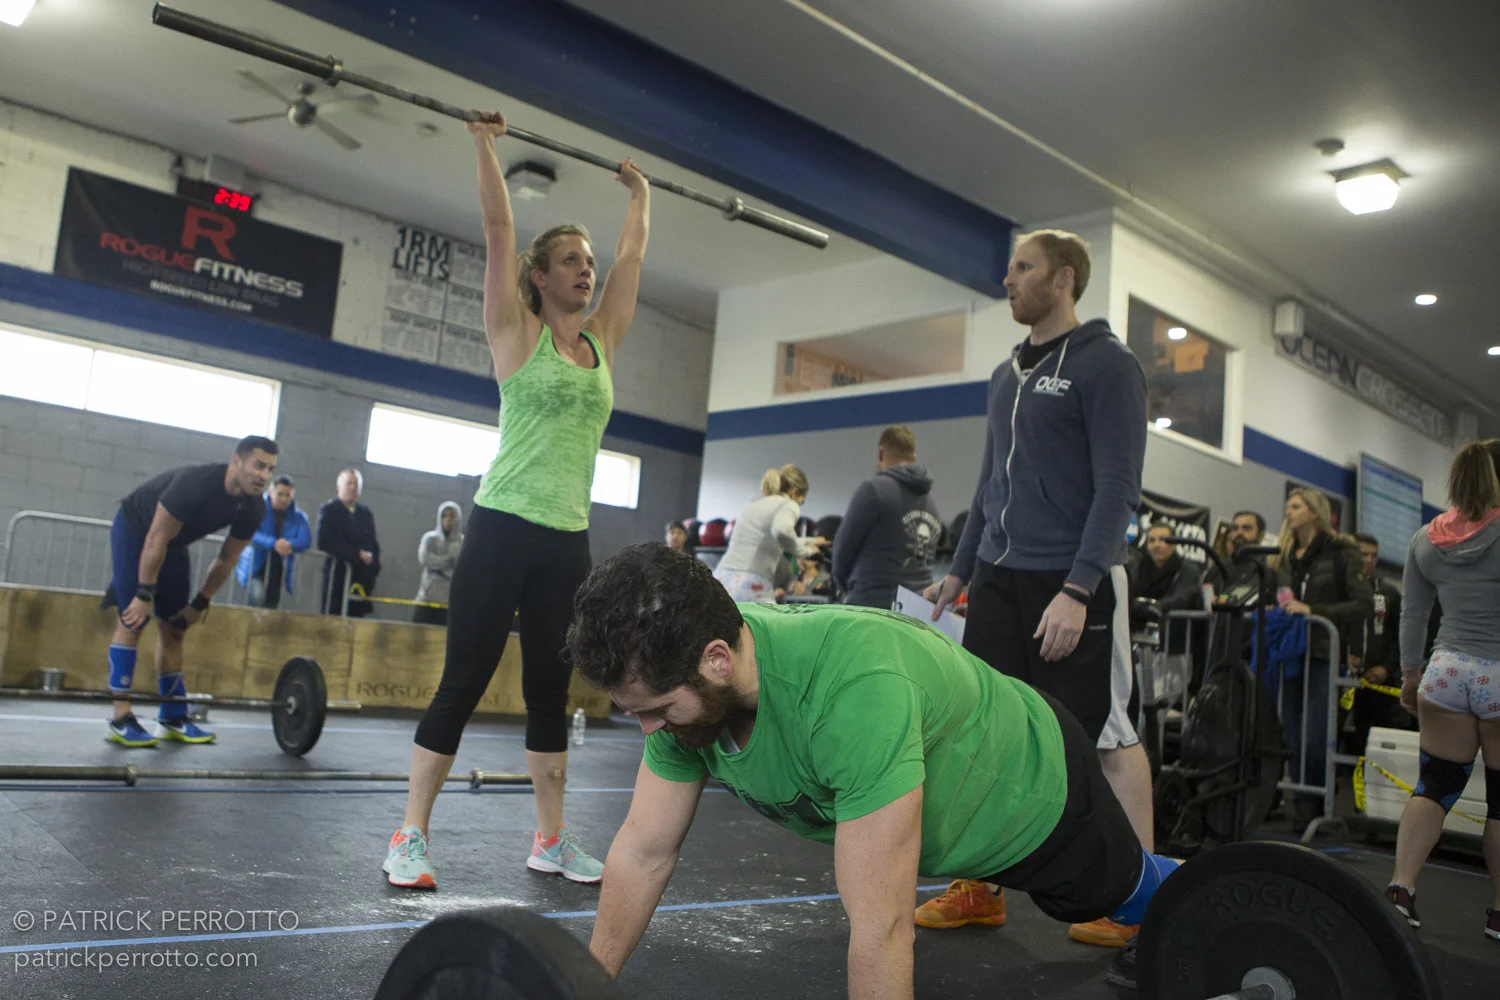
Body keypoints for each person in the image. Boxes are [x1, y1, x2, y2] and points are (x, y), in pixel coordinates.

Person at [567, 544, 1178, 996]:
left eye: (656, 710)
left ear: (717, 660)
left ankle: (1197, 888)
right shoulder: (687, 690)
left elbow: (882, 928)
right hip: (958, 810)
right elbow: (643, 852)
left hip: (1036, 787)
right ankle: (984, 892)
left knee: (1126, 897)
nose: (648, 730)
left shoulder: (852, 693)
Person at [383, 108, 650, 890]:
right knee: (462, 683)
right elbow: (499, 228)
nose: (586, 271)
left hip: (567, 540)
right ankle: (409, 836)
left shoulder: (601, 341)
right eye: (570, 260)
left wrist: (641, 196)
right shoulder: (515, 331)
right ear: (540, 276)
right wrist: (484, 144)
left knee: (549, 694)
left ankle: (551, 840)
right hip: (501, 528)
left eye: (588, 261)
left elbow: (634, 258)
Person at [924, 229, 1152, 949]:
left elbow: (1118, 488)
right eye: (1011, 268)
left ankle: (1139, 901)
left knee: (1106, 737)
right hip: (1000, 574)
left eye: (1023, 267)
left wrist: (1079, 589)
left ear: (1063, 279)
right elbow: (989, 485)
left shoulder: (1108, 365)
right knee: (983, 726)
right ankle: (980, 887)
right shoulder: (1005, 375)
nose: (1009, 279)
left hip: (1074, 578)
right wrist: (961, 568)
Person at [1384, 440, 1500, 938]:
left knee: (1435, 786)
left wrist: (1410, 677)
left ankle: (1401, 888)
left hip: (1445, 672)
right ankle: (1499, 913)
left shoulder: (1425, 539)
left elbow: (1413, 614)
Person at [103, 436, 277, 747]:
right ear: (236, 462)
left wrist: (200, 602)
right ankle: (121, 717)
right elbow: (155, 539)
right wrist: (143, 594)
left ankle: (172, 717)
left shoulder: (253, 507)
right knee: (133, 620)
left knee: (175, 627)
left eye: (270, 470)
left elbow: (228, 558)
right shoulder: (195, 485)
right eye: (258, 466)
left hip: (172, 544)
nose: (264, 476)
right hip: (136, 530)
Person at [1273, 487, 1373, 832]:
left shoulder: (1342, 551)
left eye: (1296, 506)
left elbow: (1362, 603)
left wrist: (1313, 610)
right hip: (1291, 652)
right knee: (1291, 732)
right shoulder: (1286, 555)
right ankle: (1303, 805)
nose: (1289, 512)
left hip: (1323, 654)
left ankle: (1318, 803)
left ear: (1314, 512)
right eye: (1288, 506)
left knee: (1315, 734)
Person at [831, 425, 943, 609]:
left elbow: (842, 551)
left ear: (881, 453)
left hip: (872, 606)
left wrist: (847, 588)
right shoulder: (930, 502)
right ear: (914, 456)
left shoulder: (873, 490)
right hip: (918, 609)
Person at [712, 466, 824, 603]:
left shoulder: (753, 504)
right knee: (769, 617)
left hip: (722, 577)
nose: (800, 504)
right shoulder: (789, 504)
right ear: (794, 492)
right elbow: (782, 531)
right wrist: (806, 553)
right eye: (802, 501)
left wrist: (811, 541)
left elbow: (769, 536)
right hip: (750, 580)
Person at [1347, 531, 1412, 753]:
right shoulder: (1338, 590)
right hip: (1342, 676)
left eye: (1373, 555)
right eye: (1363, 554)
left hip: (1376, 679)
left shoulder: (1388, 593)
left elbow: (1400, 636)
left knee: (1369, 740)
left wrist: (1386, 668)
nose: (1369, 560)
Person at [234, 475, 311, 610]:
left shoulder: (299, 516)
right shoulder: (257, 508)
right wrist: (273, 543)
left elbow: (305, 540)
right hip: (255, 565)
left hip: (278, 568)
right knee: (256, 597)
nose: (284, 499)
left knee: (271, 605)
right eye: (280, 494)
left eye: (288, 495)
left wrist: (289, 544)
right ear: (270, 491)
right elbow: (249, 532)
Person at [317, 468, 381, 617]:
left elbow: (373, 543)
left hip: (360, 579)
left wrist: (374, 565)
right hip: (337, 577)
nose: (353, 487)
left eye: (356, 484)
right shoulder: (329, 510)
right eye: (349, 483)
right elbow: (324, 542)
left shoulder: (366, 513)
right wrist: (356, 554)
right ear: (339, 486)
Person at [1129, 525, 1205, 614]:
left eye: (1162, 540)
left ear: (1174, 544)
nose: (1156, 545)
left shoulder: (1188, 569)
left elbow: (1181, 599)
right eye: (1152, 540)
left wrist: (1151, 607)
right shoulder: (1140, 568)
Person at [413, 502, 464, 627]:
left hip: (449, 603)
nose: (448, 520)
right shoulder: (430, 539)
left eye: (451, 516)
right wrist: (449, 561)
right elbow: (425, 559)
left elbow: (462, 566)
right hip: (426, 599)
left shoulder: (463, 543)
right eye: (444, 516)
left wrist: (438, 562)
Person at [1205, 510, 1268, 596]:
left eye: (1246, 528)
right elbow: (1202, 594)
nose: (1239, 532)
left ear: (1261, 535)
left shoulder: (1268, 566)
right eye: (1235, 528)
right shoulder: (1220, 566)